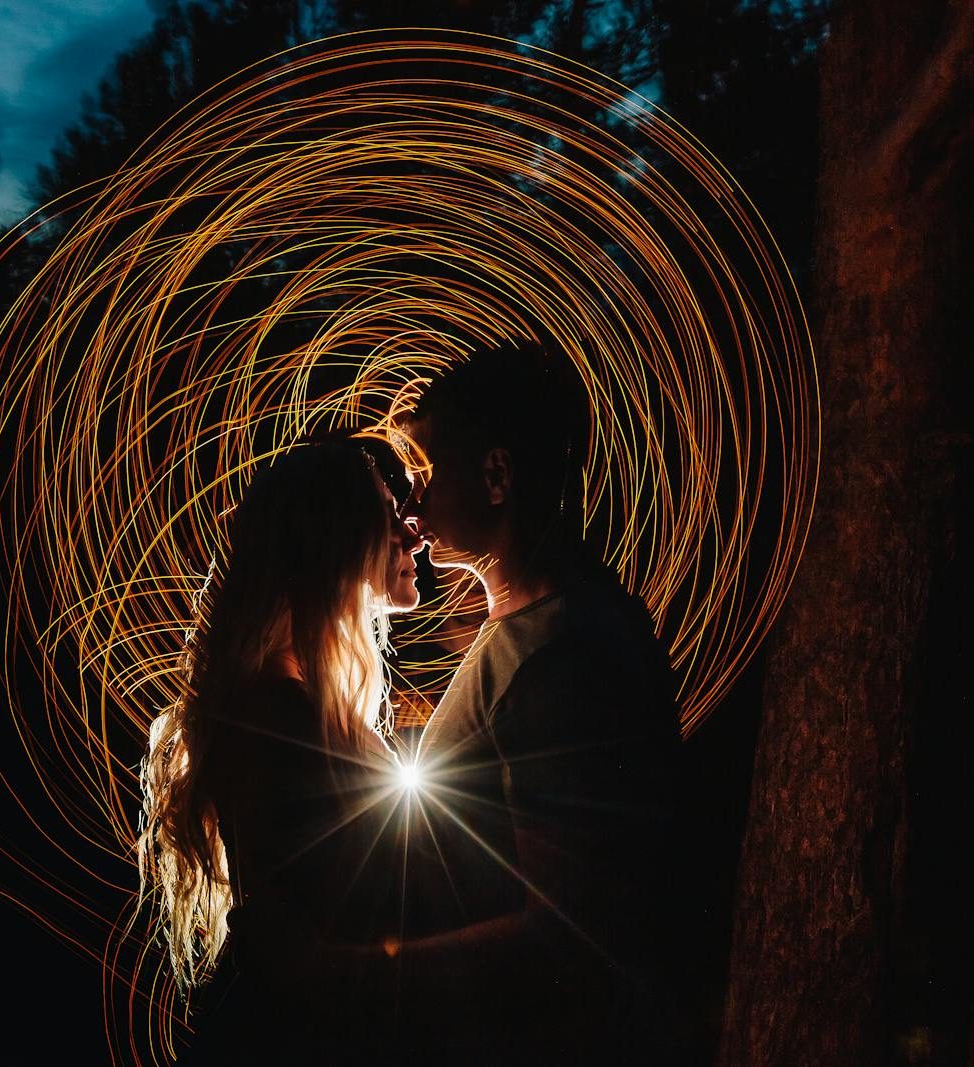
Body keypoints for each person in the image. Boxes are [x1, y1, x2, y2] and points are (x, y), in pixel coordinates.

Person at [397, 341, 690, 1062]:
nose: (411, 505)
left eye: (427, 475)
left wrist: (369, 963)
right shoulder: (549, 631)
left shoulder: (562, 657)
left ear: (497, 476)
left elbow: (566, 932)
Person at [135, 442, 424, 1063]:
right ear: (334, 540)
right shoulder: (278, 718)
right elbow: (300, 958)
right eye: (386, 513)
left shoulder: (287, 704)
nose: (412, 533)